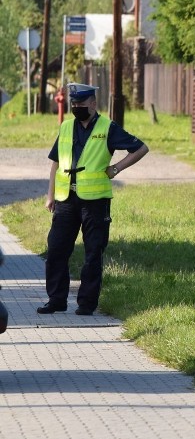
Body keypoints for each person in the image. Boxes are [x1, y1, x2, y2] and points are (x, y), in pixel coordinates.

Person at [38, 83, 149, 316]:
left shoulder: (108, 128)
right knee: (56, 250)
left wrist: (116, 168)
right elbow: (56, 163)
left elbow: (140, 148)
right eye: (74, 104)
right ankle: (56, 300)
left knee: (92, 253)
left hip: (95, 201)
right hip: (66, 199)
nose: (76, 107)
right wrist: (50, 195)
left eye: (81, 103)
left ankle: (87, 304)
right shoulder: (66, 127)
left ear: (93, 103)